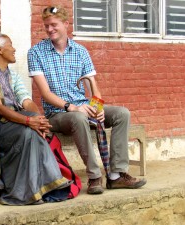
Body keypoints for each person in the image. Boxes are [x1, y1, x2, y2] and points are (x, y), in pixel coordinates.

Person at [27, 6, 147, 195]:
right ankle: (94, 176)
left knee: (121, 114)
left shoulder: (80, 51)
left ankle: (116, 175)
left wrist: (97, 108)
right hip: (58, 113)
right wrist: (72, 107)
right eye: (46, 26)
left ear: (66, 24)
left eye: (54, 25)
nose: (49, 29)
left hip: (84, 106)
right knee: (78, 118)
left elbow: (93, 86)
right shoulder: (36, 53)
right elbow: (45, 93)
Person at [0, 33, 70, 205]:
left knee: (32, 131)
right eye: (10, 45)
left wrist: (39, 119)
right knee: (29, 130)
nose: (14, 49)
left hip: (12, 124)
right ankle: (25, 191)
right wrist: (30, 121)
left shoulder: (13, 76)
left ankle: (36, 189)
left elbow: (27, 101)